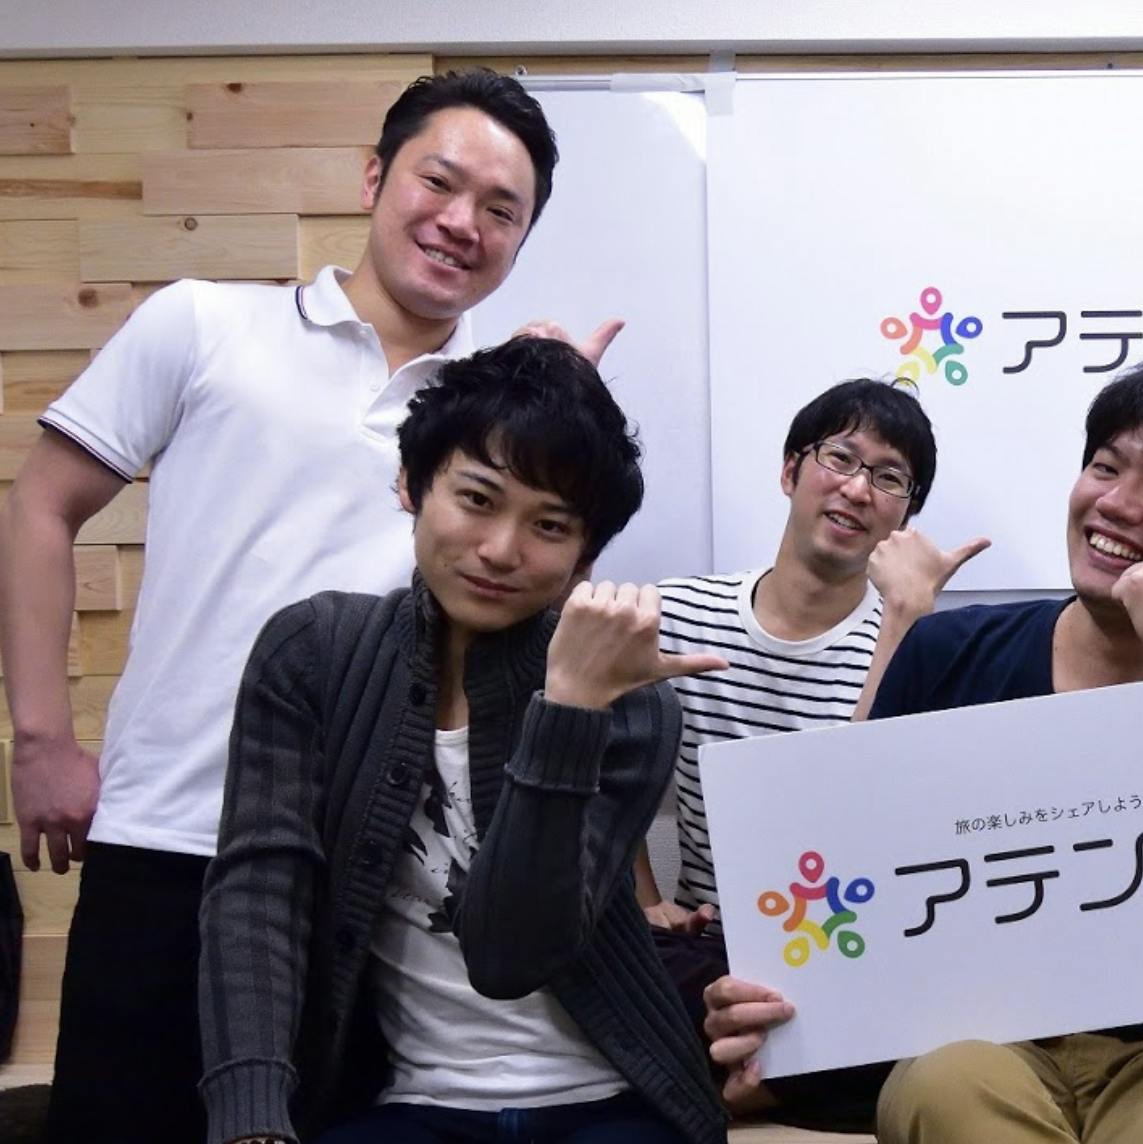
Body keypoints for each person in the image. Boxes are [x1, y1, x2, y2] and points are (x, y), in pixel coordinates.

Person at [0, 68, 620, 1142]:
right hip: (170, 835)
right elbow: (42, 504)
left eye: (501, 210)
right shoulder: (204, 324)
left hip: (369, 872)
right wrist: (44, 738)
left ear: (522, 240)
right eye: (439, 182)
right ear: (375, 176)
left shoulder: (495, 410)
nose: (462, 222)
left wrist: (562, 423)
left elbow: (528, 609)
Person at [703, 338, 1143, 1144]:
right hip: (974, 1042)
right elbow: (850, 878)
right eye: (1104, 467)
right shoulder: (947, 655)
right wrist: (776, 997)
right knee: (948, 1090)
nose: (1115, 503)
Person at [197, 336, 726, 1144]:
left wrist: (571, 708)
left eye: (549, 524)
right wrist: (252, 1121)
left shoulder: (630, 702)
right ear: (411, 483)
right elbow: (259, 893)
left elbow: (512, 955)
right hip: (407, 1104)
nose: (501, 550)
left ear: (584, 557)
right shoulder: (314, 652)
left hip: (615, 1101)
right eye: (477, 498)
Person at [638, 378, 979, 1128]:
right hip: (709, 948)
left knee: (953, 1029)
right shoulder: (679, 612)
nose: (857, 489)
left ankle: (756, 1078)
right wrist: (643, 895)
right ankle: (784, 1070)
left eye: (889, 478)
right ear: (791, 469)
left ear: (905, 518)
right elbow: (600, 750)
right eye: (841, 459)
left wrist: (905, 623)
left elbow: (864, 819)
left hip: (855, 949)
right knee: (618, 966)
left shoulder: (917, 645)